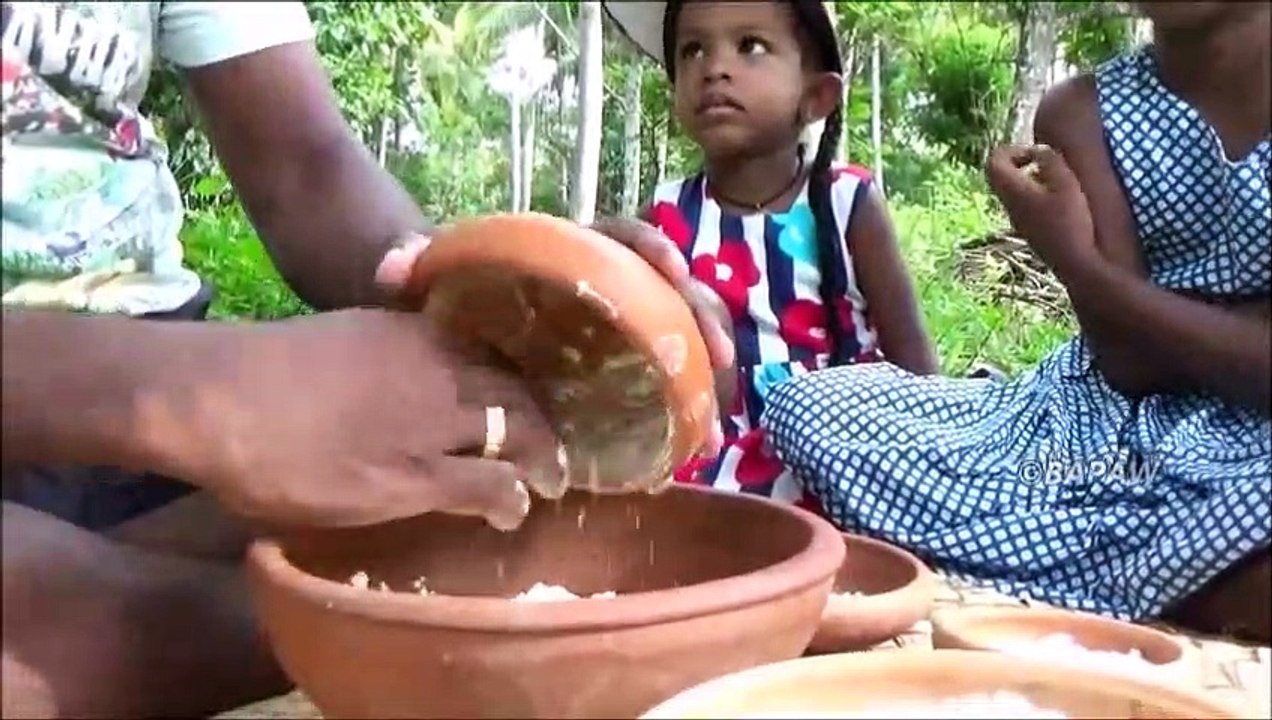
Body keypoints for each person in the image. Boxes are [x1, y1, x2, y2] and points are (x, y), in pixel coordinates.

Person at [1, 3, 731, 717]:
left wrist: (485, 290)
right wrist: (193, 395)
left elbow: (305, 168)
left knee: (501, 507)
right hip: (108, 385)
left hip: (168, 390)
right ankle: (383, 625)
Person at [760, 1, 1270, 639]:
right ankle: (1199, 570)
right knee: (810, 407)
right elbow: (1129, 364)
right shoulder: (1083, 111)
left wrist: (1082, 267)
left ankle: (1159, 567)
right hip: (1098, 430)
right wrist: (1235, 323)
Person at [603, 0, 938, 514]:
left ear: (816, 96)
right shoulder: (667, 219)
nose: (714, 67)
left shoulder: (849, 204)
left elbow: (919, 372)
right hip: (715, 462)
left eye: (750, 46)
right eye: (693, 50)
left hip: (849, 454)